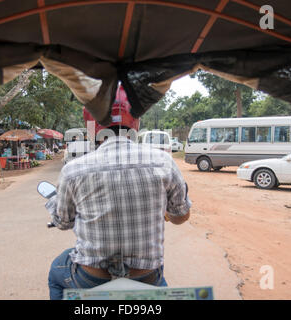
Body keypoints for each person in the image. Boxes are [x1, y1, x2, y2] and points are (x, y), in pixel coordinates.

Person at [45, 85, 191, 300]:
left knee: (57, 269)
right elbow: (181, 217)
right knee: (160, 284)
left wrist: (53, 204)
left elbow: (64, 223)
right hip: (147, 277)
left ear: (92, 126)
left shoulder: (73, 170)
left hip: (92, 279)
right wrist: (167, 213)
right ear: (136, 123)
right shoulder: (164, 162)